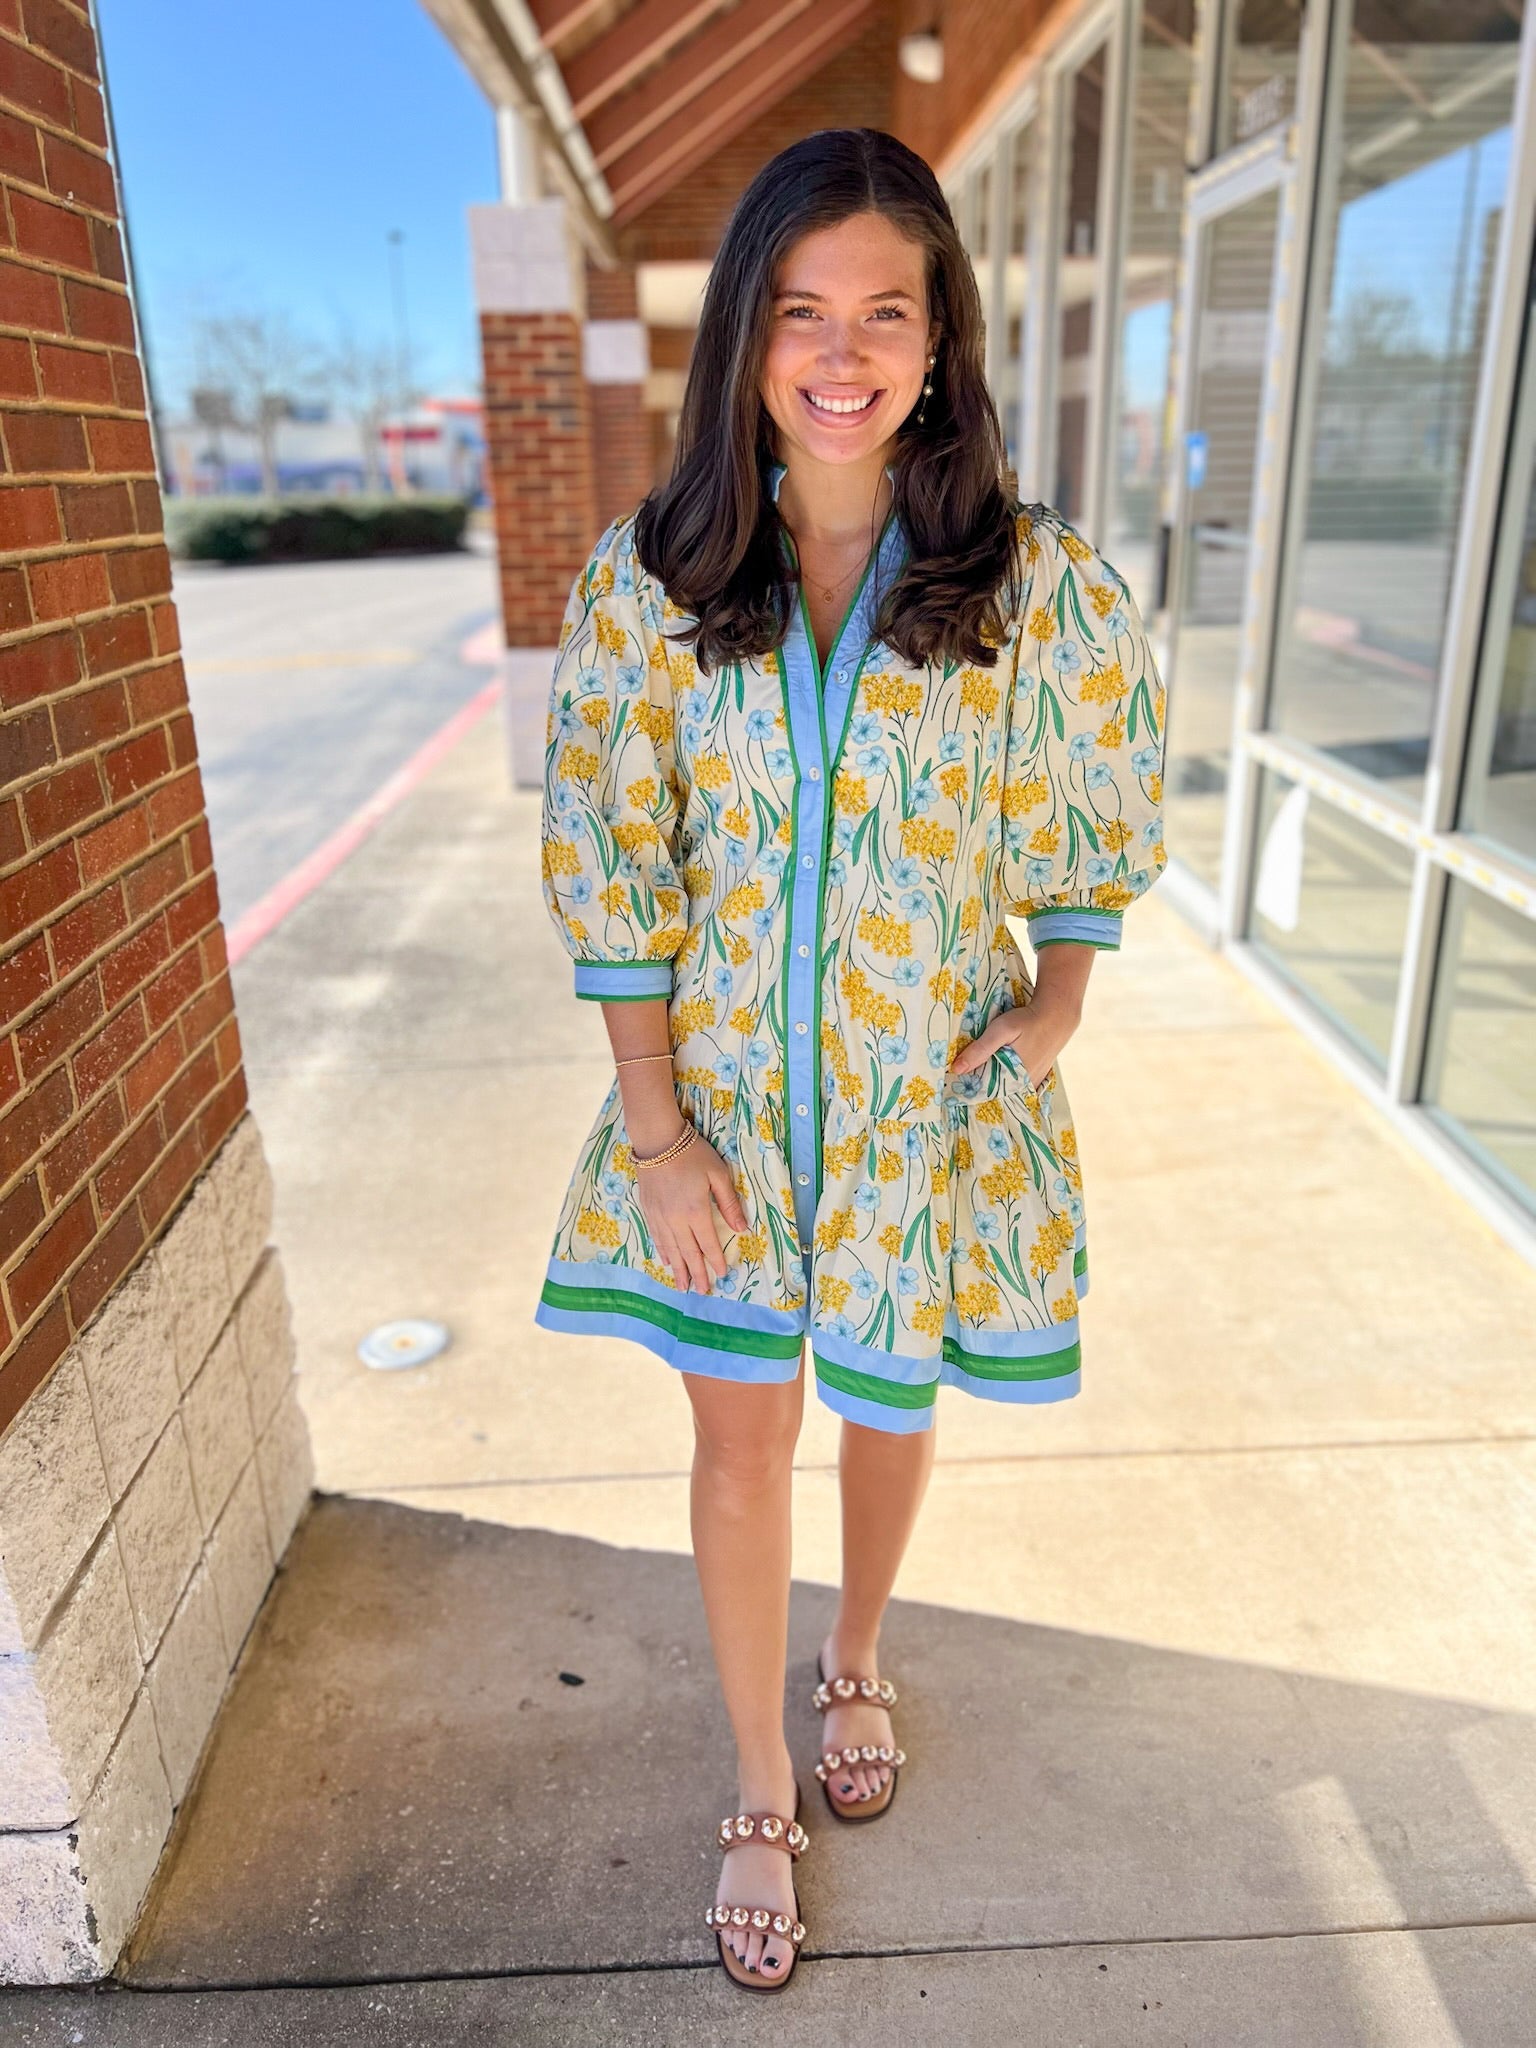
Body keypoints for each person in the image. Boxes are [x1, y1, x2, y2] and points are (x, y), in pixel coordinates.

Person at [535, 127, 1168, 1993]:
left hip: (920, 1116)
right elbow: (611, 861)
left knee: (893, 1407)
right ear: (745, 335)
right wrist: (658, 1137)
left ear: (939, 336)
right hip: (719, 1118)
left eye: (883, 310)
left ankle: (859, 1657)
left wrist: (1059, 995)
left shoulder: (1028, 581)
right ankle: (754, 1787)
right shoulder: (651, 580)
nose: (841, 350)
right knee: (741, 1439)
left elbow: (1087, 804)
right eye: (800, 309)